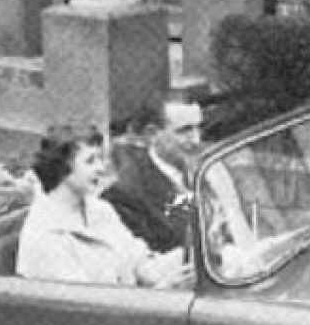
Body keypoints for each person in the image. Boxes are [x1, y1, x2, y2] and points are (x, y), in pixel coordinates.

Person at [16, 123, 191, 287]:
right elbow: (82, 304)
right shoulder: (45, 234)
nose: (101, 168)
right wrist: (164, 289)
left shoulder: (100, 210)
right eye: (90, 161)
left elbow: (140, 263)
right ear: (62, 167)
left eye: (100, 159)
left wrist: (189, 256)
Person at [102, 101, 204, 253]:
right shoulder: (127, 194)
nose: (197, 140)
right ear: (152, 134)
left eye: (199, 128)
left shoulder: (211, 170)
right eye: (184, 131)